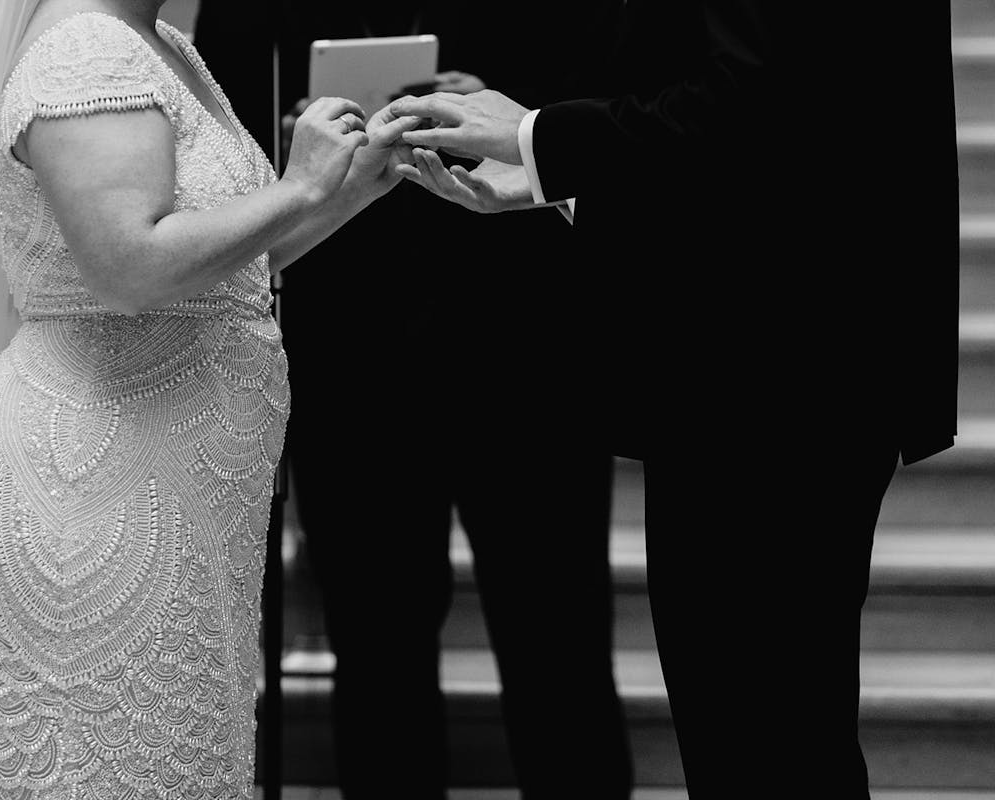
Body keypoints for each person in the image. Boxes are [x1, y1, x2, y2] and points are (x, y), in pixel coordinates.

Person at [0, 0, 422, 796]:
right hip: (105, 483)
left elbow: (221, 268)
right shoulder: (86, 51)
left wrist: (347, 191)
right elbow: (132, 264)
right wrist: (300, 187)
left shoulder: (159, 46)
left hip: (178, 492)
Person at [391, 4, 959, 798]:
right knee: (764, 740)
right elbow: (784, 140)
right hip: (781, 366)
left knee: (765, 744)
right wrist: (561, 184)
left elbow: (750, 106)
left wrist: (537, 137)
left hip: (770, 382)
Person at [194, 2, 629, 797]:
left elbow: (615, 99)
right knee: (375, 639)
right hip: (349, 344)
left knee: (558, 630)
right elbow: (213, 133)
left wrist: (512, 116)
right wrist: (301, 146)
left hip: (528, 342)